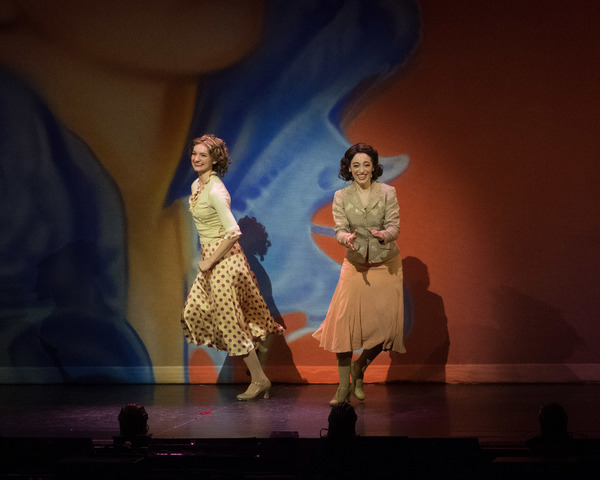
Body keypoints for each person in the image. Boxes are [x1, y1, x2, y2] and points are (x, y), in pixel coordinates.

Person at [181, 134, 284, 400]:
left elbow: (233, 232)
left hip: (224, 261)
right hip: (212, 259)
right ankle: (257, 345)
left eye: (203, 155)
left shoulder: (216, 190)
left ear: (215, 160)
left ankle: (260, 379)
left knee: (229, 324)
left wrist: (210, 261)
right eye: (195, 153)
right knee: (194, 311)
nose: (196, 158)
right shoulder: (197, 185)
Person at [313, 143, 405, 406]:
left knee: (386, 328)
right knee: (344, 327)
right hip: (355, 264)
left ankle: (359, 367)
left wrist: (384, 235)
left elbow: (394, 226)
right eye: (356, 165)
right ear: (348, 169)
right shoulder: (341, 196)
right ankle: (343, 387)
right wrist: (346, 238)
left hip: (385, 263)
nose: (361, 170)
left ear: (374, 167)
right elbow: (339, 228)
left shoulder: (388, 192)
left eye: (366, 164)